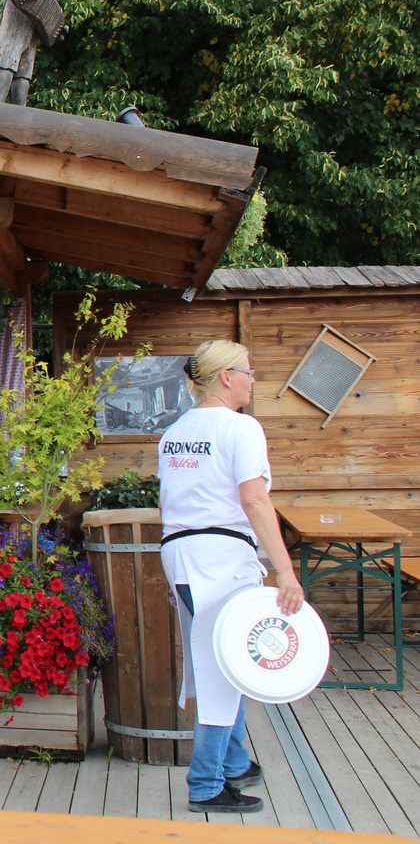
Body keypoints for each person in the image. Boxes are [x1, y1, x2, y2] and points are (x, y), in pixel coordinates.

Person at [158, 340, 305, 814]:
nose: (253, 378)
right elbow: (255, 500)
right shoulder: (242, 429)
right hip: (221, 556)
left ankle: (234, 761)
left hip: (179, 551)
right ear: (226, 377)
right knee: (225, 669)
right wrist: (285, 570)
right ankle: (205, 783)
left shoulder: (175, 432)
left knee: (219, 657)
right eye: (248, 371)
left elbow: (167, 503)